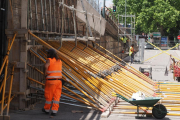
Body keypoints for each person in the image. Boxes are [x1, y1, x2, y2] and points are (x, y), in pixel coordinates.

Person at [42, 48, 62, 116]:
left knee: (49, 96)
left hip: (51, 81)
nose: (47, 54)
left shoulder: (49, 60)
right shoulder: (59, 60)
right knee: (57, 96)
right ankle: (54, 111)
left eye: (48, 53)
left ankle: (47, 109)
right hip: (59, 81)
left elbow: (46, 66)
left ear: (50, 54)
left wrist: (45, 74)